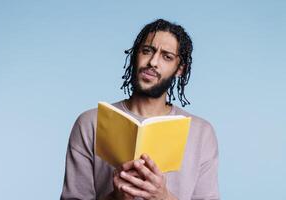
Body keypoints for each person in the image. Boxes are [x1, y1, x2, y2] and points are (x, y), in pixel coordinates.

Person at [60, 19, 220, 200]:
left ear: (179, 69)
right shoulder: (90, 123)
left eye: (166, 56)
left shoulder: (201, 132)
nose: (153, 62)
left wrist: (163, 197)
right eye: (147, 51)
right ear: (136, 55)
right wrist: (115, 198)